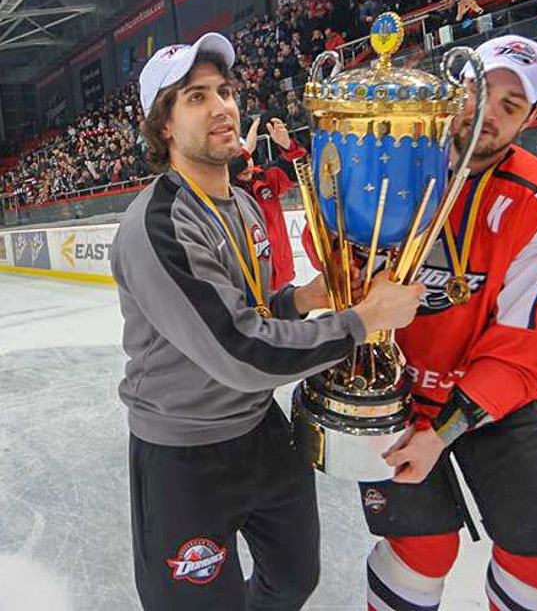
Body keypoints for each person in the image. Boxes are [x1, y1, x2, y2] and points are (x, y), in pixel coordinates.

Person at [109, 32, 424, 611]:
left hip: (260, 433)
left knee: (294, 577)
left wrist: (303, 298)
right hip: (185, 454)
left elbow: (250, 313)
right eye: (196, 97)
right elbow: (239, 351)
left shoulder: (244, 203)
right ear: (163, 127)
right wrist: (362, 319)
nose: (222, 106)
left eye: (225, 91)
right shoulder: (156, 226)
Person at [306, 35, 537, 610]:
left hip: (488, 403)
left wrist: (445, 432)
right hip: (395, 394)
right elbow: (325, 245)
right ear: (454, 90)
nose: (487, 113)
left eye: (510, 106)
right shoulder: (390, 155)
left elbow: (523, 351)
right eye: (480, 93)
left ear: (530, 118)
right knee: (422, 552)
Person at [229, 115, 303, 290]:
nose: (246, 163)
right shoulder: (224, 191)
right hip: (250, 284)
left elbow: (297, 171)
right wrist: (246, 150)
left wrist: (287, 146)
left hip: (283, 275)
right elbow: (220, 175)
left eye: (247, 157)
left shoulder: (265, 177)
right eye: (238, 159)